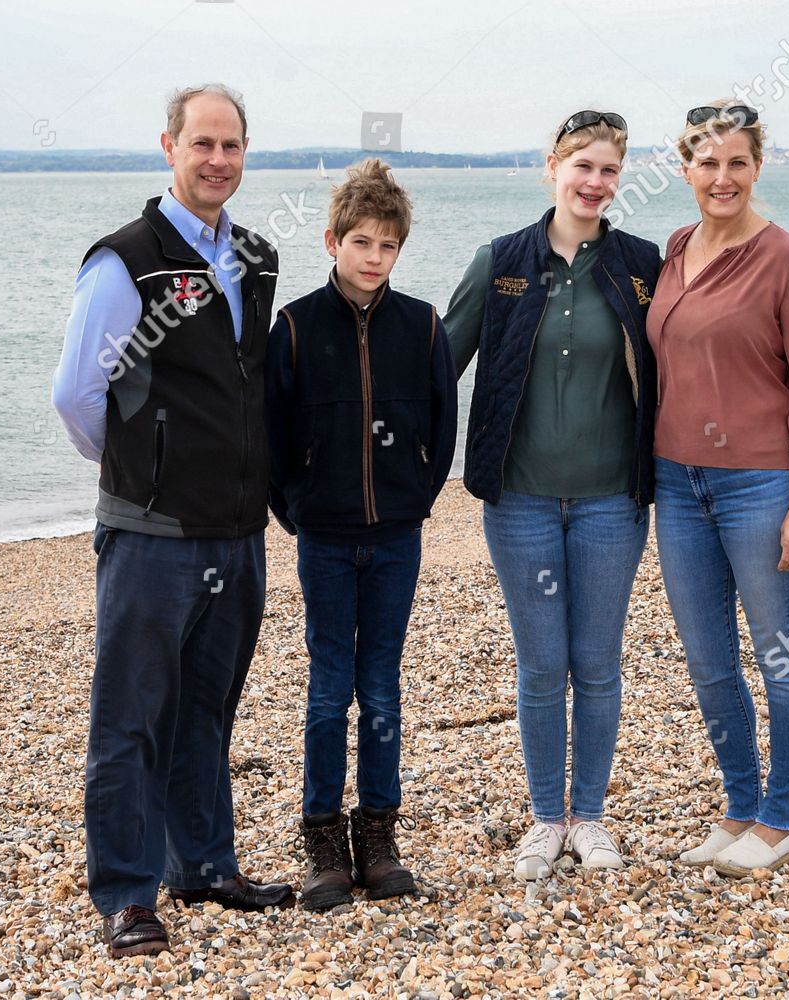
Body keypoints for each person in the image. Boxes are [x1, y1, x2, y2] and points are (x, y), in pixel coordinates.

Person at [51, 83, 293, 959]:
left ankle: (204, 865)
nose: (218, 161)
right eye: (203, 145)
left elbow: (248, 384)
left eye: (232, 146)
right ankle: (123, 893)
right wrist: (139, 473)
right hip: (151, 536)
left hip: (237, 531)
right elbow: (78, 397)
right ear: (169, 146)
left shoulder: (256, 259)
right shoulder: (126, 262)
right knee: (132, 719)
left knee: (208, 711)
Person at [445, 110, 661, 881]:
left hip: (612, 501)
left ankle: (590, 816)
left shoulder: (642, 266)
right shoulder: (501, 260)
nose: (595, 183)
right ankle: (545, 819)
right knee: (541, 667)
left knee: (598, 664)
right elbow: (438, 364)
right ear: (552, 168)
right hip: (522, 501)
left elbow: (690, 359)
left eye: (608, 170)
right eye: (582, 168)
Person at [646, 100, 789, 876]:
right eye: (707, 162)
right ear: (686, 169)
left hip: (762, 486)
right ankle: (737, 807)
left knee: (780, 654)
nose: (722, 177)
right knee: (707, 660)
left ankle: (782, 817)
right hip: (677, 483)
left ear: (757, 167)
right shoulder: (674, 250)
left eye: (737, 162)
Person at [266, 159, 457, 911]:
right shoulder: (295, 326)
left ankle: (377, 835)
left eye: (388, 245)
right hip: (325, 537)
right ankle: (322, 836)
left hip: (397, 537)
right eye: (361, 242)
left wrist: (415, 493)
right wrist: (301, 506)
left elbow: (442, 426)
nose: (374, 256)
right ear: (332, 241)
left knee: (381, 683)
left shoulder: (424, 323)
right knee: (327, 687)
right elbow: (274, 435)